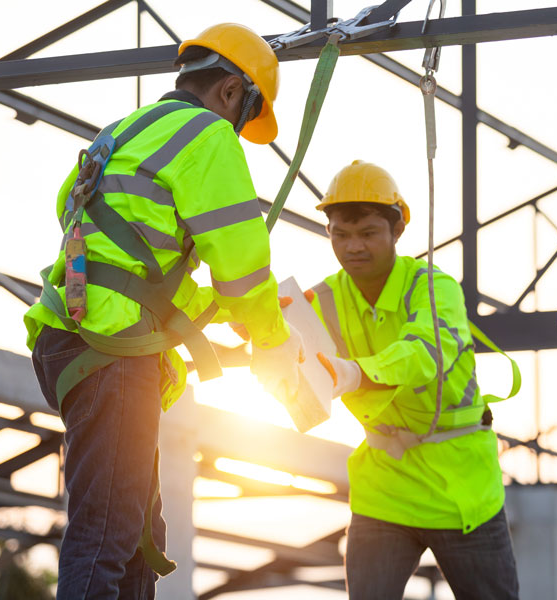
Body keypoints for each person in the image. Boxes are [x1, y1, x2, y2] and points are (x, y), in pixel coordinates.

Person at [25, 23, 302, 599]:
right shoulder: (208, 136)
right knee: (105, 539)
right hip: (113, 353)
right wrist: (270, 338)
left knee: (137, 543)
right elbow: (243, 266)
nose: (240, 132)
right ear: (231, 93)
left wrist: (217, 312)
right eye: (246, 118)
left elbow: (114, 255)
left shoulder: (118, 134)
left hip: (70, 341)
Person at [309, 160, 519, 599]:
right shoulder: (324, 298)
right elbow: (283, 341)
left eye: (367, 232)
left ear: (398, 231)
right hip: (384, 489)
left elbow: (425, 350)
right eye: (340, 235)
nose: (353, 247)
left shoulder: (433, 289)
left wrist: (357, 373)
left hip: (462, 492)